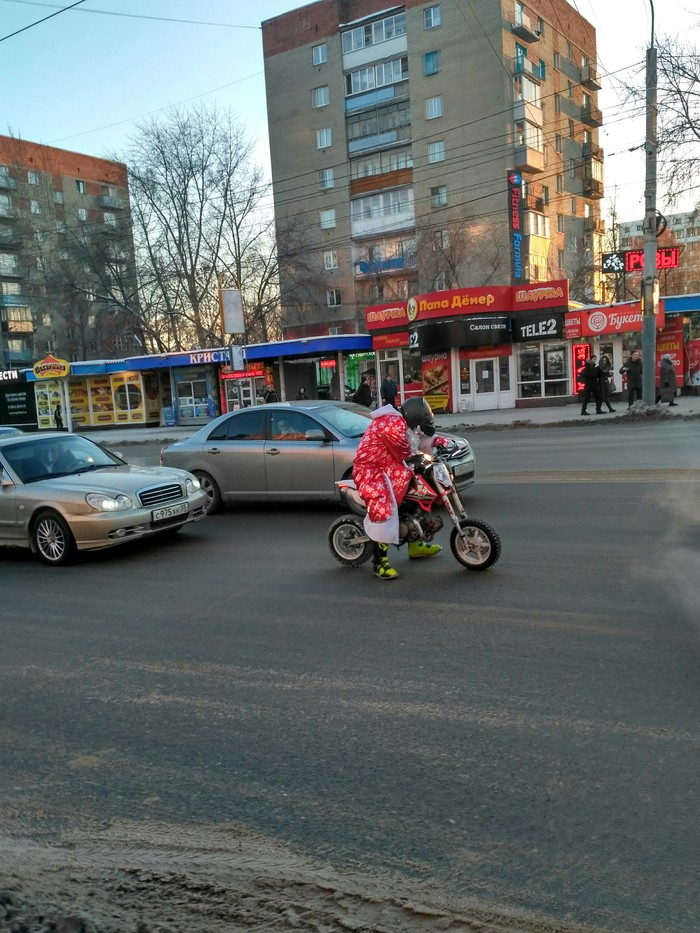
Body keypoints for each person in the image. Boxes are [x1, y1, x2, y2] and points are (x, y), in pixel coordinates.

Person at [352, 397, 442, 580]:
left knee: (416, 495)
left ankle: (415, 543)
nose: (421, 425)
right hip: (371, 470)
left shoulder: (403, 423)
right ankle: (380, 563)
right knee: (384, 509)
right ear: (415, 415)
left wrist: (437, 443)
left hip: (389, 466)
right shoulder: (391, 424)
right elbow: (403, 451)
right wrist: (414, 458)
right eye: (421, 420)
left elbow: (419, 440)